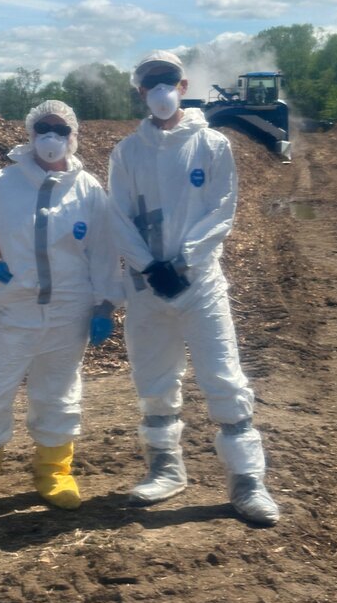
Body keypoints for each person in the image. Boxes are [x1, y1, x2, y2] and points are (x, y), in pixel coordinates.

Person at [108, 51, 280, 526]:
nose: (160, 90)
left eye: (168, 81)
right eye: (150, 83)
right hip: (147, 288)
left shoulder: (212, 145)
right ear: (140, 91)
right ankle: (165, 468)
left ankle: (247, 481)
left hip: (199, 284)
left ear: (183, 86)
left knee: (223, 377)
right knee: (154, 379)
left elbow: (221, 211)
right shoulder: (127, 152)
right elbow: (118, 216)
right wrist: (148, 266)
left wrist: (182, 261)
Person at [0, 100, 122, 520]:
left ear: (74, 136)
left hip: (70, 310)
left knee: (58, 394)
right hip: (16, 309)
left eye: (60, 129)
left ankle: (54, 472)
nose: (51, 136)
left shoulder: (87, 188)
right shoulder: (3, 183)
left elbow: (102, 249)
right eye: (43, 127)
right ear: (29, 133)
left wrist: (105, 303)